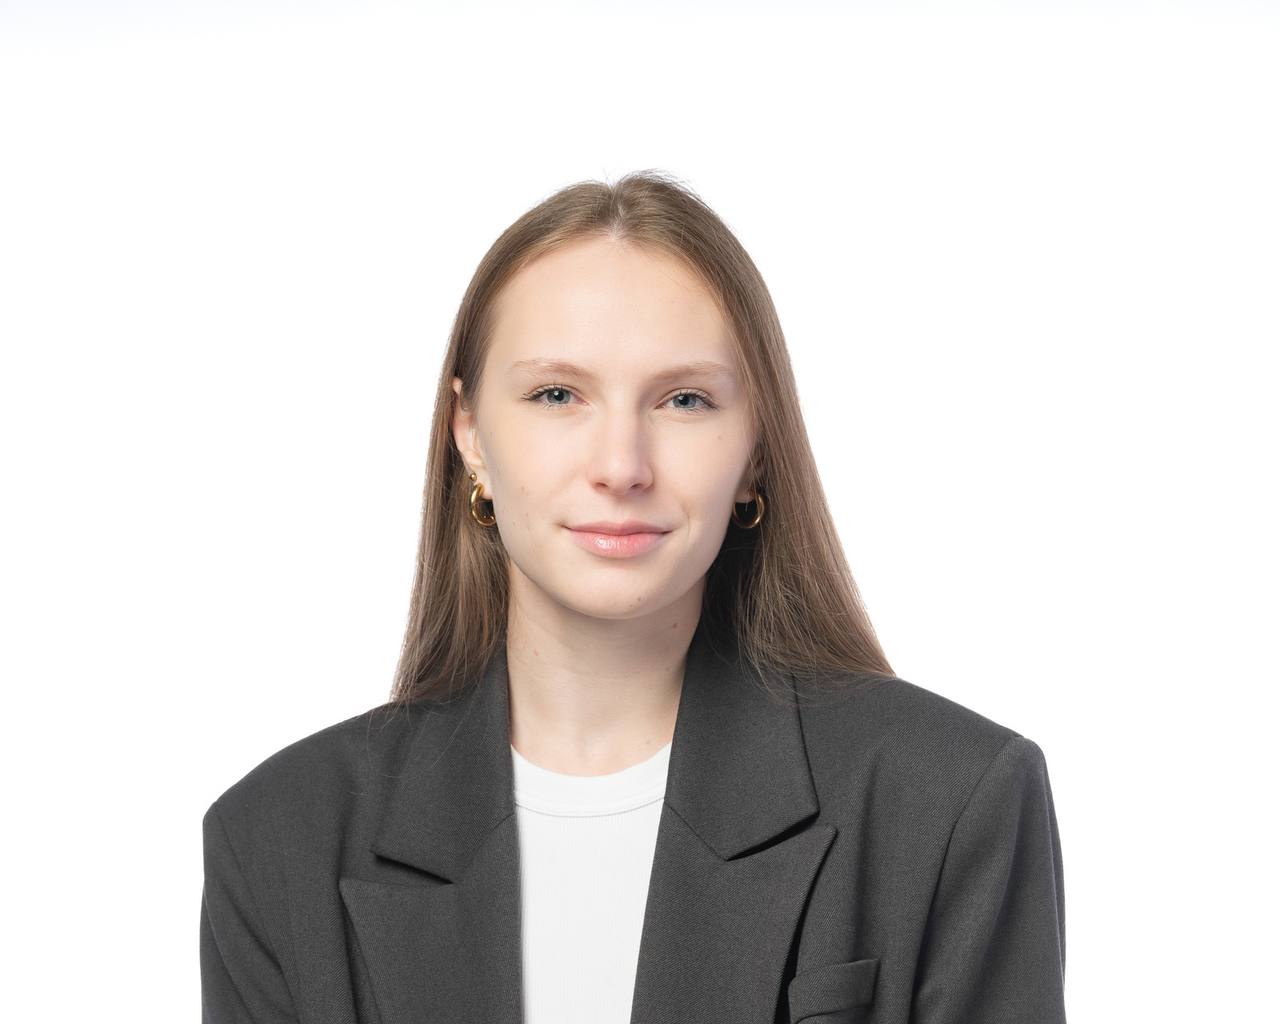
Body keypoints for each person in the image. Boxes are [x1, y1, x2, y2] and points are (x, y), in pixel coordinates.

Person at [200, 169, 1067, 1024]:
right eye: (556, 395)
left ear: (756, 449)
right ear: (469, 435)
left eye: (685, 399)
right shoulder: (278, 838)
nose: (621, 466)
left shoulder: (952, 801)